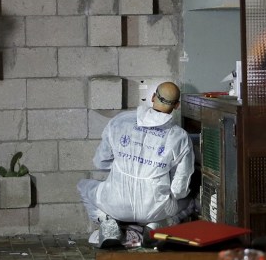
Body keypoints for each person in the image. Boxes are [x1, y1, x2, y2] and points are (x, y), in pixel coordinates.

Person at [78, 81, 197, 248]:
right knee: (190, 202)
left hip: (116, 204)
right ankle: (154, 228)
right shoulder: (180, 137)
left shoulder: (120, 121)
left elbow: (100, 161)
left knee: (84, 186)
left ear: (153, 97)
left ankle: (108, 224)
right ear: (177, 105)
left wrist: (125, 165)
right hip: (154, 209)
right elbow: (179, 190)